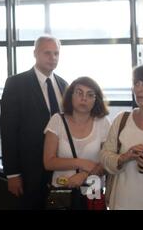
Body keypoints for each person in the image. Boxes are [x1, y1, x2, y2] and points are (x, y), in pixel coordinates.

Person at [0, 35, 68, 209]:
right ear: (35, 53)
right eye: (47, 53)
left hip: (60, 169)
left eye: (56, 54)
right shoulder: (16, 83)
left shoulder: (64, 85)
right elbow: (8, 131)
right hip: (29, 170)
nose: (53, 58)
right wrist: (12, 173)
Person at [100, 63, 143, 210]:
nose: (139, 89)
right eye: (136, 83)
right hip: (120, 204)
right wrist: (123, 158)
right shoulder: (122, 120)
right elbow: (105, 157)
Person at [43, 76, 110, 209]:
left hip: (93, 190)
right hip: (62, 189)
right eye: (79, 92)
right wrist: (82, 163)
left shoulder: (102, 123)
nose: (84, 98)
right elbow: (48, 162)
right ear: (71, 95)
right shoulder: (57, 120)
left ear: (96, 100)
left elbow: (107, 163)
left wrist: (84, 175)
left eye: (90, 95)